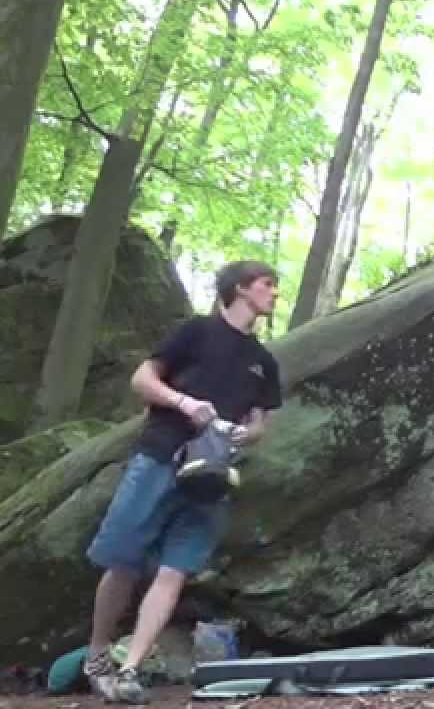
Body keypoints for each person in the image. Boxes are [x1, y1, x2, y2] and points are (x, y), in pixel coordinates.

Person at [82, 261, 283, 704]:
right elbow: (142, 379)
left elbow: (260, 425)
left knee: (175, 569)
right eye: (268, 285)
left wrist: (238, 432)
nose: (274, 293)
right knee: (123, 560)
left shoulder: (264, 362)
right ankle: (98, 655)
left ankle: (130, 669)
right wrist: (185, 403)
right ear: (241, 289)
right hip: (160, 457)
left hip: (213, 475)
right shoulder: (196, 332)